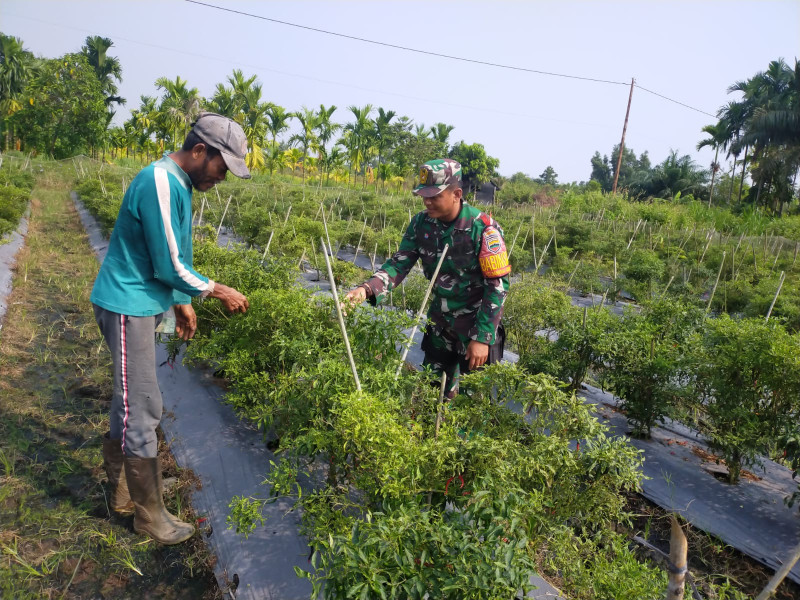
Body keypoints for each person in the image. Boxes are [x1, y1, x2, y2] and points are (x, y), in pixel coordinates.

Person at [91, 113, 251, 545]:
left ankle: (124, 495)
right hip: (127, 304)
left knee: (131, 401)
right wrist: (217, 290)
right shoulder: (160, 181)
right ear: (199, 151)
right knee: (143, 406)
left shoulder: (180, 184)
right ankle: (149, 516)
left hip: (141, 303)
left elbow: (172, 251)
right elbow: (170, 263)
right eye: (222, 167)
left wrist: (181, 302)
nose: (222, 177)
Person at [344, 158, 510, 398]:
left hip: (474, 326)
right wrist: (366, 289)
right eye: (424, 196)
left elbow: (497, 286)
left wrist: (483, 338)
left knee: (473, 399)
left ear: (457, 194)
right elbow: (399, 263)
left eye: (434, 196)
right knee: (434, 391)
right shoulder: (421, 223)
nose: (427, 202)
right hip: (441, 324)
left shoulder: (483, 229)